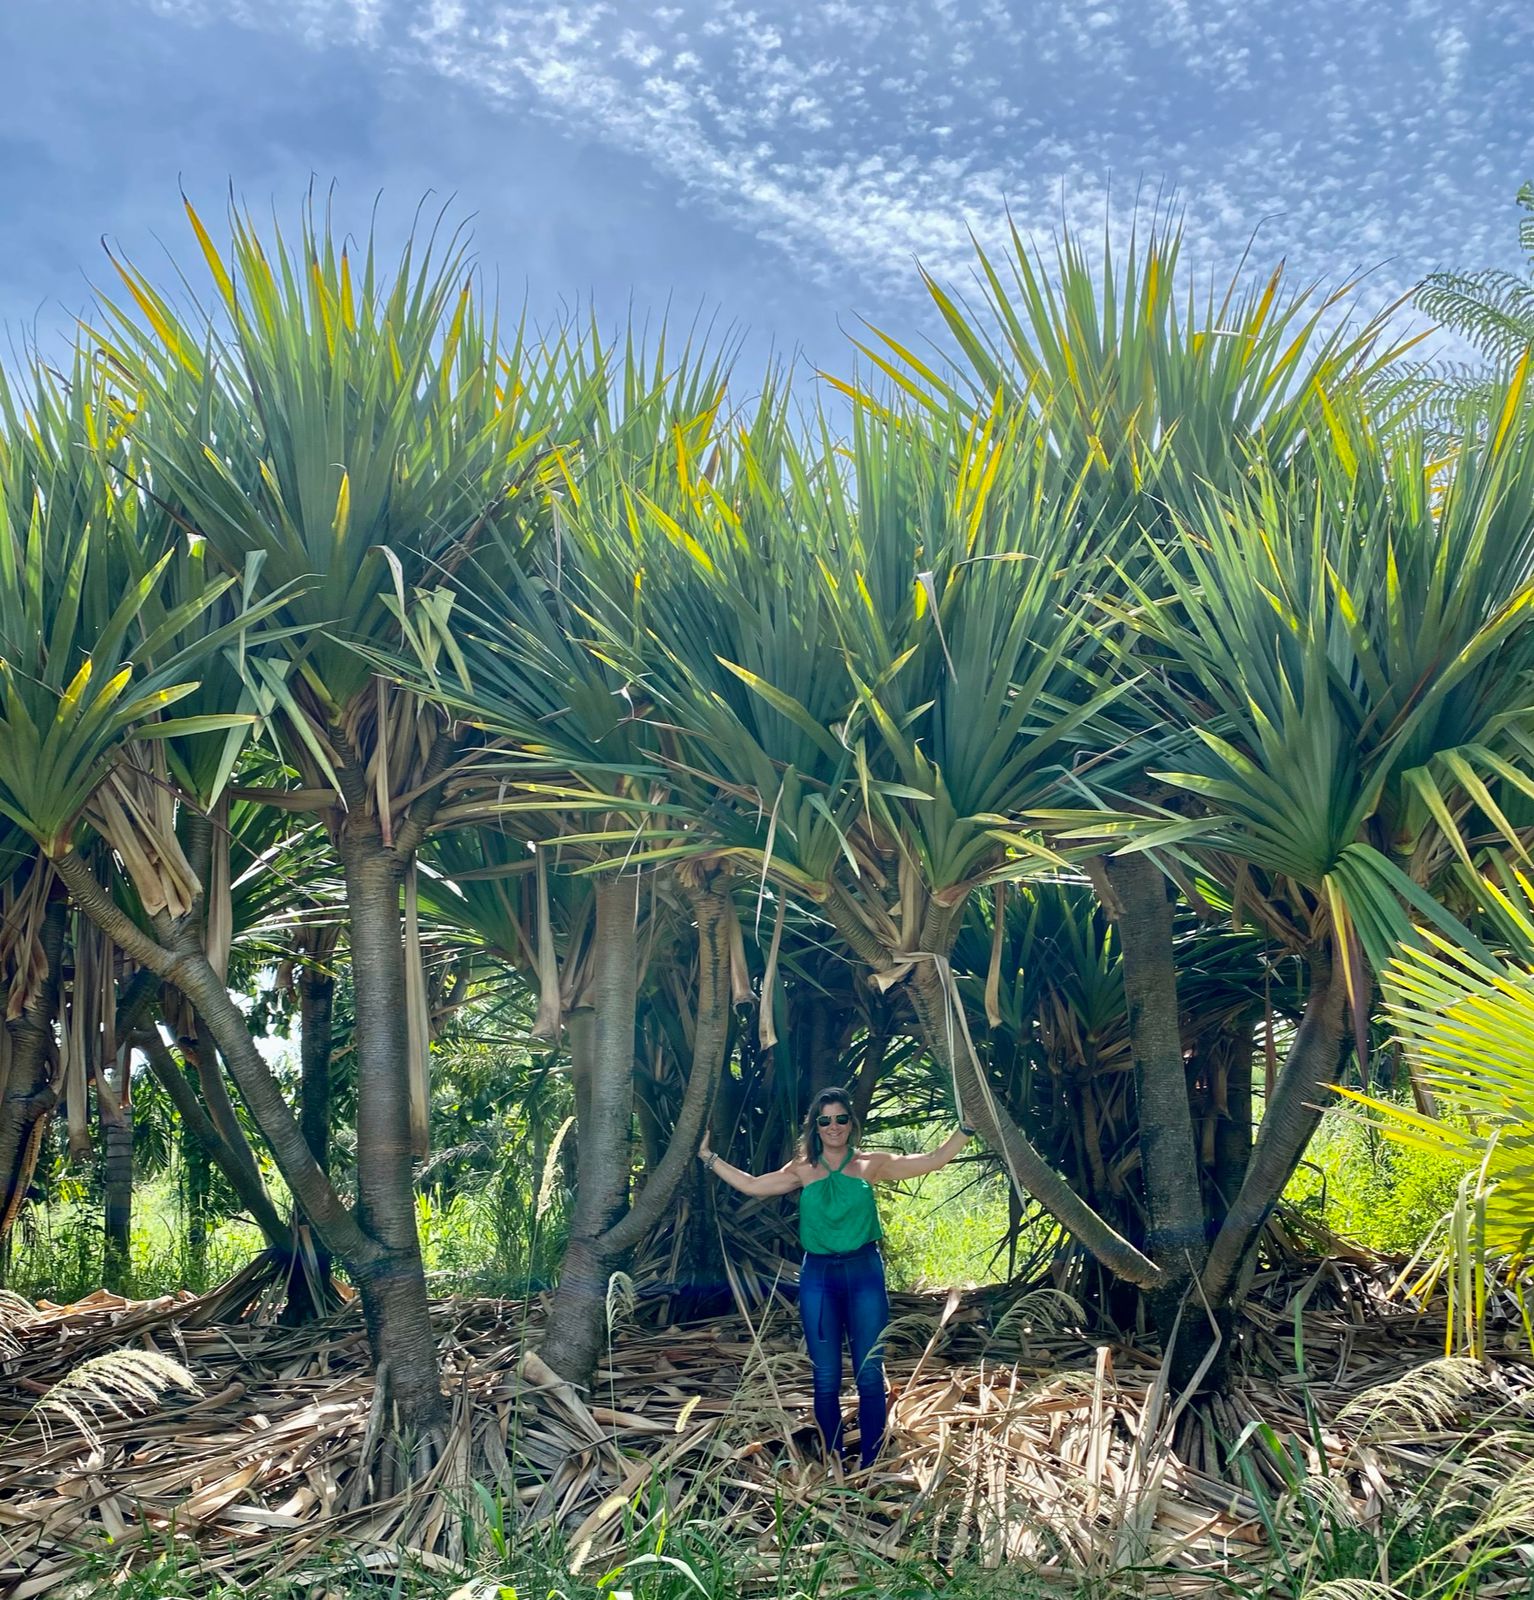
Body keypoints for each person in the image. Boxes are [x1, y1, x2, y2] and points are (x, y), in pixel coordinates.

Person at [698, 1086, 976, 1471]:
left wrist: (966, 1129)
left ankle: (872, 1461)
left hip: (864, 1272)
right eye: (825, 1120)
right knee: (826, 1375)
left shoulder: (870, 1164)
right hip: (819, 1277)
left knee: (868, 1371)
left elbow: (933, 1160)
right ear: (815, 1127)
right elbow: (752, 1185)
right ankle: (834, 1459)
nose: (833, 1127)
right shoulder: (802, 1169)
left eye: (841, 1119)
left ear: (851, 1122)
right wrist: (707, 1157)